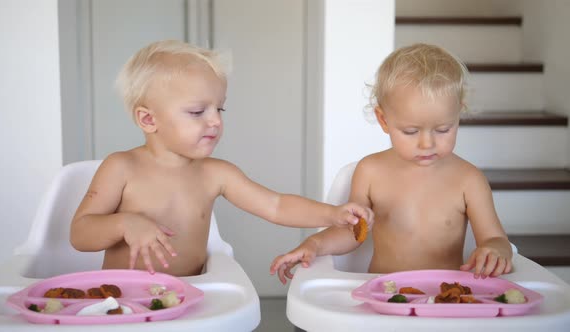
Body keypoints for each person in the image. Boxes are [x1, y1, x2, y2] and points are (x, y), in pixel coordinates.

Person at [70, 40, 373, 276]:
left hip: (188, 297)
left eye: (220, 109)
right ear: (148, 120)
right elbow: (80, 234)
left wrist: (332, 215)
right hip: (123, 298)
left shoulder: (216, 174)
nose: (215, 121)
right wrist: (125, 224)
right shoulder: (122, 167)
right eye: (197, 111)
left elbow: (276, 205)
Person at [270, 43, 513, 284]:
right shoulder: (370, 172)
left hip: (445, 299)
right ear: (383, 120)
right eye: (410, 131)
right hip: (383, 294)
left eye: (442, 129)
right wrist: (314, 244)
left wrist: (494, 251)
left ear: (457, 114)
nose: (427, 143)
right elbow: (352, 234)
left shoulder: (469, 180)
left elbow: (496, 239)